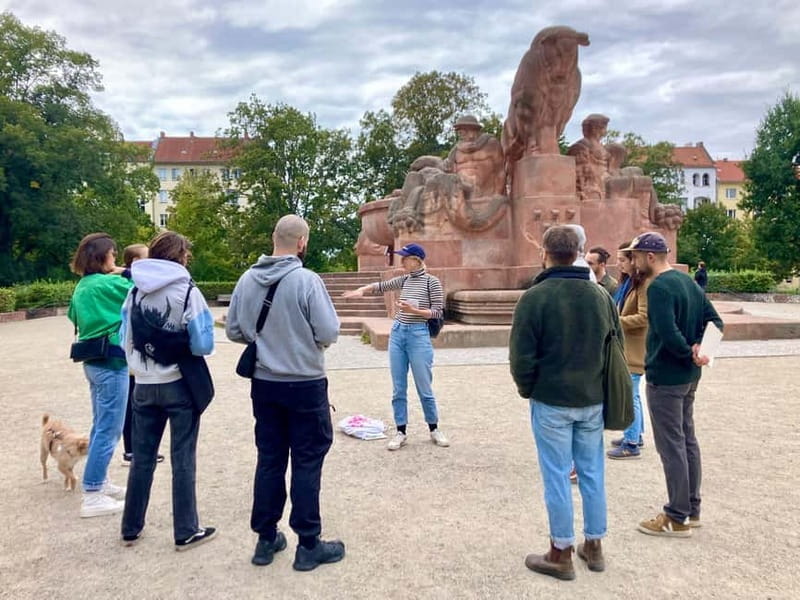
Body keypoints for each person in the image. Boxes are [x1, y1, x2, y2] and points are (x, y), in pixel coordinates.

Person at [226, 215, 344, 571]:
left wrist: (266, 340)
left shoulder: (247, 280)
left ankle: (266, 539)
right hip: (305, 382)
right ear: (302, 242)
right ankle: (308, 544)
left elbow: (234, 330)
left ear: (273, 237)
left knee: (270, 458)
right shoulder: (307, 280)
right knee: (307, 459)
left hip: (264, 384)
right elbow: (329, 331)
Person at [509, 225, 620, 580]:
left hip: (552, 398)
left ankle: (560, 551)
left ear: (544, 252)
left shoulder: (535, 297)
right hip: (591, 397)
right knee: (592, 472)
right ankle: (595, 544)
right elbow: (612, 344)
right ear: (576, 252)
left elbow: (521, 357)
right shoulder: (599, 294)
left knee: (557, 475)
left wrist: (529, 388)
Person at [120, 231, 216, 550]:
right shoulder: (187, 291)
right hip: (178, 385)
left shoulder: (134, 292)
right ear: (180, 256)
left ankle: (131, 526)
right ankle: (185, 529)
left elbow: (125, 340)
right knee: (182, 457)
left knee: (142, 458)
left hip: (144, 387)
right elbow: (203, 344)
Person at [623, 233, 723, 537]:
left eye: (636, 256)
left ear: (650, 257)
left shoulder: (660, 287)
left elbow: (666, 331)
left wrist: (686, 352)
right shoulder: (689, 282)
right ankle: (692, 508)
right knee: (687, 440)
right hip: (690, 377)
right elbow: (716, 321)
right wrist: (702, 352)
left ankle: (676, 516)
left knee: (672, 445)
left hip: (666, 375)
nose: (635, 261)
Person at [342, 242, 449, 451]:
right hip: (398, 333)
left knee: (424, 386)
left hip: (418, 334)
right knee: (398, 388)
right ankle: (401, 431)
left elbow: (437, 312)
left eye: (405, 257)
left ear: (417, 260)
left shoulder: (431, 282)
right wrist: (361, 290)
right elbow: (381, 286)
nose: (401, 261)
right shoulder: (405, 280)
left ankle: (434, 428)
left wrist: (414, 310)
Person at [68, 233, 133, 518]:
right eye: (113, 254)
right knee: (109, 429)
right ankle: (93, 492)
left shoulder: (82, 286)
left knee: (99, 426)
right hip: (112, 363)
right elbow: (141, 286)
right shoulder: (111, 283)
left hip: (91, 360)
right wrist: (126, 271)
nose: (116, 259)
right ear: (103, 257)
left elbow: (73, 317)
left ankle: (99, 480)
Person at [119, 244, 164, 467]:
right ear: (135, 262)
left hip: (135, 355)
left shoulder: (132, 280)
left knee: (139, 405)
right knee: (133, 406)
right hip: (132, 355)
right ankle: (132, 450)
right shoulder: (129, 284)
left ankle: (140, 449)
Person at [606, 240, 649, 459]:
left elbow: (644, 317)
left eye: (623, 259)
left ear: (634, 260)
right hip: (628, 346)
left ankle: (631, 443)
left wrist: (615, 321)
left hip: (635, 347)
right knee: (633, 394)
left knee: (630, 394)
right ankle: (635, 435)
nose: (619, 264)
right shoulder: (629, 283)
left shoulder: (642, 284)